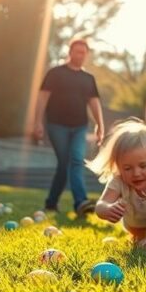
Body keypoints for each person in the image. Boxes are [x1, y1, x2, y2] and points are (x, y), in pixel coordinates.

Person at [33, 37, 104, 215]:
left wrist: (100, 125)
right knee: (64, 163)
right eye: (77, 51)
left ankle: (80, 202)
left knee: (76, 160)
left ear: (86, 55)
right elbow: (42, 98)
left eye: (83, 52)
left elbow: (94, 103)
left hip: (80, 126)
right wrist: (37, 122)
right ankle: (52, 202)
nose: (80, 55)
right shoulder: (55, 73)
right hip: (57, 125)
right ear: (70, 52)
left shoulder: (88, 78)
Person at [89, 119, 146, 248]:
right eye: (127, 168)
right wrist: (107, 209)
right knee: (139, 240)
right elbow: (100, 205)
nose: (136, 173)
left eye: (143, 165)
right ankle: (143, 235)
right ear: (118, 166)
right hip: (135, 225)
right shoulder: (119, 181)